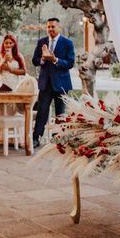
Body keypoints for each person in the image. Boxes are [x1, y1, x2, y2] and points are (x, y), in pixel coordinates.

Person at [32, 18, 75, 149]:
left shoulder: (67, 43)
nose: (50, 29)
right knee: (41, 112)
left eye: (53, 27)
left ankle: (58, 139)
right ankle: (36, 138)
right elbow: (35, 60)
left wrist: (55, 59)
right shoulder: (42, 42)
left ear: (59, 28)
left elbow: (70, 63)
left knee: (60, 113)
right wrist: (43, 59)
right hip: (45, 83)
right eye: (48, 27)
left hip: (61, 83)